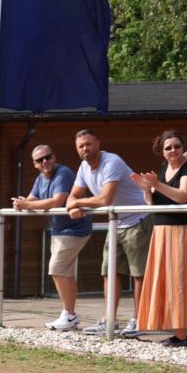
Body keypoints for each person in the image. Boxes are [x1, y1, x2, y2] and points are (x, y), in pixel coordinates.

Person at [66, 129, 151, 337]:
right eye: (81, 146)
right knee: (109, 271)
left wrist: (78, 203)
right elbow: (71, 196)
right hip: (115, 222)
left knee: (138, 274)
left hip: (137, 219)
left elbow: (105, 199)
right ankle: (109, 320)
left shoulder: (112, 162)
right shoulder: (83, 167)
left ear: (98, 144)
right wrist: (73, 205)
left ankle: (139, 320)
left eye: (88, 144)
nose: (85, 149)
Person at [132, 130, 187, 347]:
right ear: (161, 152)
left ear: (183, 146)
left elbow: (183, 196)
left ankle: (182, 334)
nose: (173, 151)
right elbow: (155, 203)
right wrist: (147, 190)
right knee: (164, 280)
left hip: (183, 230)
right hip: (162, 230)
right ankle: (174, 330)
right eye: (168, 148)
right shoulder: (164, 168)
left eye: (176, 146)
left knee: (179, 281)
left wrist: (157, 184)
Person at [12, 144, 92, 331]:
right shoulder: (41, 178)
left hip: (74, 228)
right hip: (58, 230)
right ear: (35, 164)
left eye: (48, 157)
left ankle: (69, 315)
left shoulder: (63, 173)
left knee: (56, 269)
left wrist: (27, 206)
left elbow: (57, 201)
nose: (45, 162)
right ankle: (70, 315)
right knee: (65, 273)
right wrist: (20, 203)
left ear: (54, 157)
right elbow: (32, 199)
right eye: (40, 160)